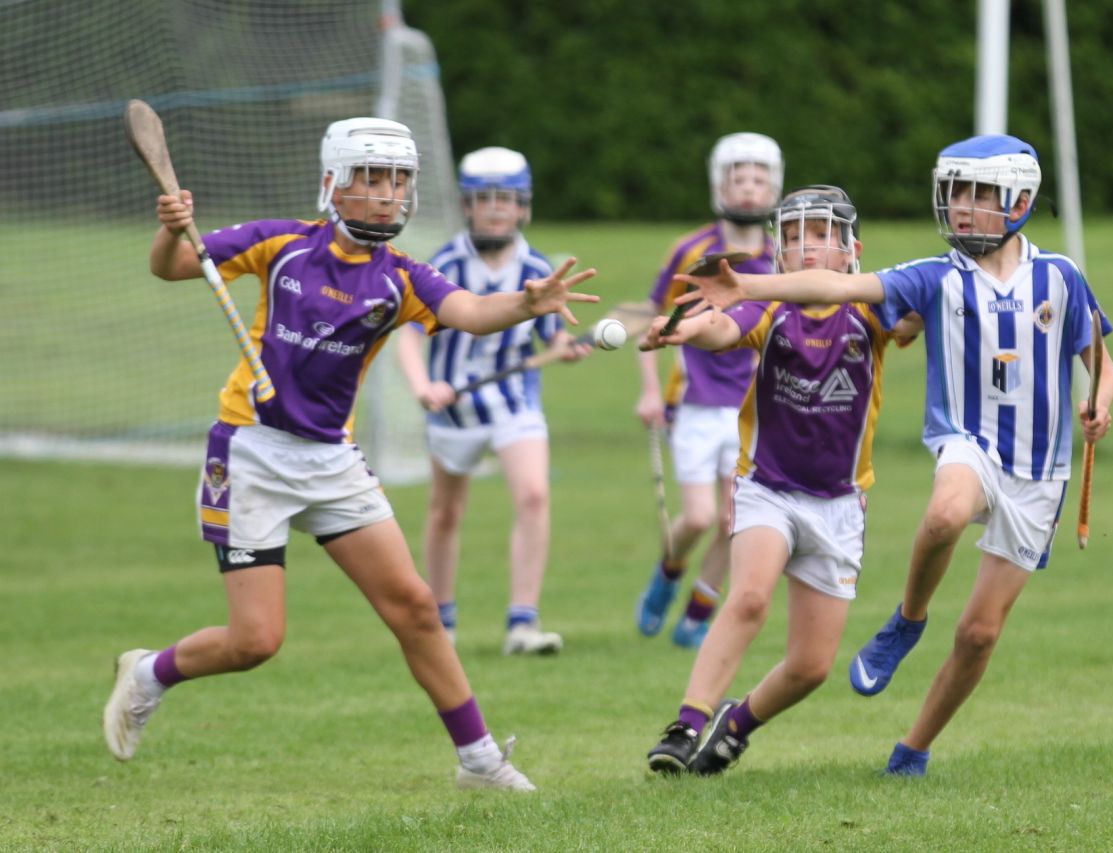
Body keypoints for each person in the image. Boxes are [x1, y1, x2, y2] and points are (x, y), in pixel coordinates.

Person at [101, 118, 598, 791]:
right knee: (256, 642)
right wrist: (170, 225)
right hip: (251, 452)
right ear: (333, 182)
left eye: (399, 180)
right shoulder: (279, 244)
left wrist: (526, 304)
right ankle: (148, 673)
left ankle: (479, 759)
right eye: (372, 177)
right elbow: (173, 265)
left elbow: (473, 312)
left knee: (415, 606)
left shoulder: (400, 277)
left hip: (330, 460)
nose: (388, 194)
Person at [673, 134, 1113, 777]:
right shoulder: (934, 275)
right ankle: (907, 620)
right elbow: (834, 281)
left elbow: (1104, 367)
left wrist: (1099, 403)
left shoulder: (1061, 278)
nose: (962, 207)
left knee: (979, 634)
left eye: (978, 194)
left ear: (1020, 200)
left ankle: (913, 747)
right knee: (944, 513)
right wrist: (743, 281)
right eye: (954, 192)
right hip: (967, 441)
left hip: (1040, 472)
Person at [644, 185, 897, 775]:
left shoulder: (872, 309)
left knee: (810, 667)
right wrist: (685, 330)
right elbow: (723, 329)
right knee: (751, 597)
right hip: (767, 489)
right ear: (777, 249)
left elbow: (918, 313)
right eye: (792, 235)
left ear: (849, 249)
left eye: (820, 235)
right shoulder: (769, 307)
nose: (806, 247)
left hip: (840, 504)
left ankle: (736, 725)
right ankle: (686, 724)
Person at [395, 146, 587, 656]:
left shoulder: (536, 266)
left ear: (523, 207)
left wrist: (566, 349)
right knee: (445, 513)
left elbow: (552, 339)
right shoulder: (444, 263)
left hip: (513, 402)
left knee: (533, 495)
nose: (496, 208)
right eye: (485, 199)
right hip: (453, 406)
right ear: (466, 205)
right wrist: (423, 387)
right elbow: (410, 336)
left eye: (507, 199)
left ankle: (522, 623)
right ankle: (441, 621)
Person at [633, 132, 783, 649]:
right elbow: (651, 323)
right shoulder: (692, 250)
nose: (748, 189)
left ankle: (699, 610)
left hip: (749, 410)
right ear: (719, 183)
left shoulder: (780, 258)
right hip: (694, 405)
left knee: (732, 516)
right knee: (698, 517)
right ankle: (669, 570)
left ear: (774, 187)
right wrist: (650, 391)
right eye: (738, 178)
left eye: (758, 179)